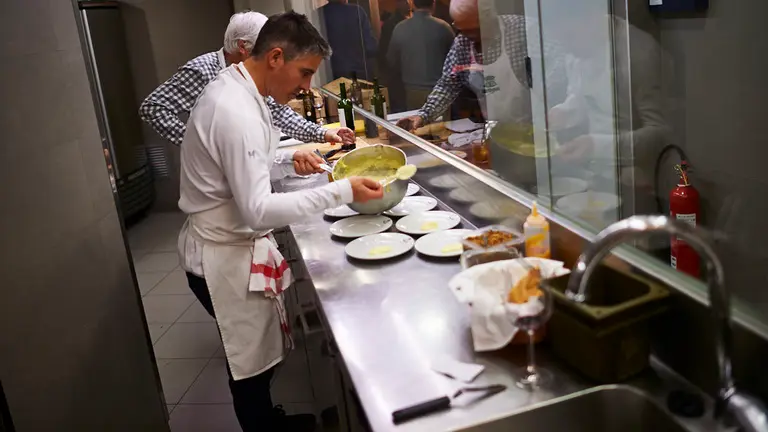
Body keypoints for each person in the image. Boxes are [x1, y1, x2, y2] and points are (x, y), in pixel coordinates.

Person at [177, 12, 383, 431]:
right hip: (221, 260)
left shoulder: (237, 88)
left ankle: (269, 421)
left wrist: (289, 156)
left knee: (258, 361)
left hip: (227, 247)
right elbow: (256, 208)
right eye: (305, 72)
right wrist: (345, 191)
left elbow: (235, 160)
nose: (307, 86)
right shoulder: (234, 109)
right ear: (274, 57)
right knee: (249, 368)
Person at [139, 11, 355, 147]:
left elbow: (278, 113)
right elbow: (152, 107)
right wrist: (195, 145)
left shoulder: (252, 78)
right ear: (242, 46)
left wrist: (322, 133)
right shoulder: (203, 72)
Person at [395, 0, 566, 131]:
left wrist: (551, 107)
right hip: (495, 129)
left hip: (536, 129)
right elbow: (448, 85)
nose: (472, 36)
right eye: (465, 30)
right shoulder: (463, 43)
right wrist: (423, 116)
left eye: (477, 29)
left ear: (491, 16)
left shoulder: (524, 30)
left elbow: (557, 71)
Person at [387, 0, 454, 110]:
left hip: (412, 91)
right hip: (440, 92)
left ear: (412, 4)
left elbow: (391, 61)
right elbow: (455, 61)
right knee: (442, 126)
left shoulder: (400, 28)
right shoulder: (444, 27)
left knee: (416, 125)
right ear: (433, 3)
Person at [323, 0, 378, 80]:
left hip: (333, 76)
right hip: (360, 73)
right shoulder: (357, 11)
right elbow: (371, 47)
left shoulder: (321, 14)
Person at [378, 0, 410, 112]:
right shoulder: (394, 24)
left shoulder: (401, 22)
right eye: (405, 1)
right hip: (398, 76)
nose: (408, 3)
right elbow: (386, 54)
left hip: (402, 75)